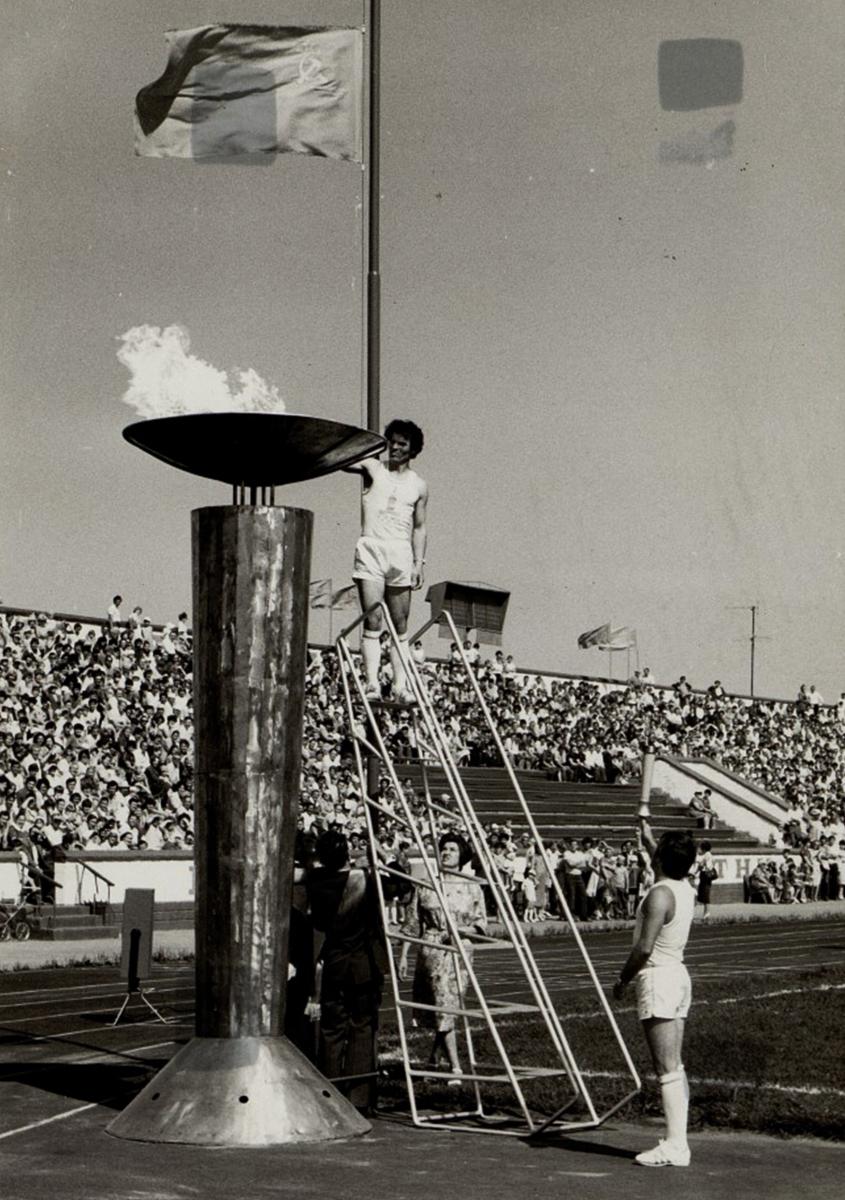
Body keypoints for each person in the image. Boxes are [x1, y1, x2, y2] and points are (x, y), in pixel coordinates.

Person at [613, 818, 697, 1168]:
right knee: (674, 1066)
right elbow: (666, 867)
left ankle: (676, 1146)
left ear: (660, 858)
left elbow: (644, 948)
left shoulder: (660, 894)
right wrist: (648, 838)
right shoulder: (683, 886)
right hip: (677, 976)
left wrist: (622, 980)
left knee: (666, 1068)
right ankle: (678, 1142)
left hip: (658, 978)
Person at [306, 829, 388, 1114]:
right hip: (363, 963)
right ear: (346, 854)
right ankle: (360, 1096)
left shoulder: (316, 881)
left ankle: (330, 1092)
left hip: (334, 962)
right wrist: (381, 856)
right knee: (362, 1027)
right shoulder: (363, 879)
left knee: (331, 1029)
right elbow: (397, 885)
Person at [346, 420, 428, 702]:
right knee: (374, 617)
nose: (395, 447)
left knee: (400, 623)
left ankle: (400, 686)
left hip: (400, 553)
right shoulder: (374, 468)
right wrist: (366, 446)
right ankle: (371, 683)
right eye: (392, 441)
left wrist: (419, 563)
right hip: (371, 548)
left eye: (402, 443)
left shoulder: (419, 485)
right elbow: (343, 459)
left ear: (412, 449)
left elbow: (419, 527)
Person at [398, 832, 486, 1082]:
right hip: (432, 950)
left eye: (452, 849)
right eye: (443, 849)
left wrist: (462, 931)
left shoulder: (472, 886)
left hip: (460, 950)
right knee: (442, 1006)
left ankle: (441, 1063)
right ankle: (448, 1065)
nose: (446, 853)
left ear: (462, 856)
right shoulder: (427, 883)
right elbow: (412, 923)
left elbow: (481, 923)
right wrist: (403, 955)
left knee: (449, 1007)